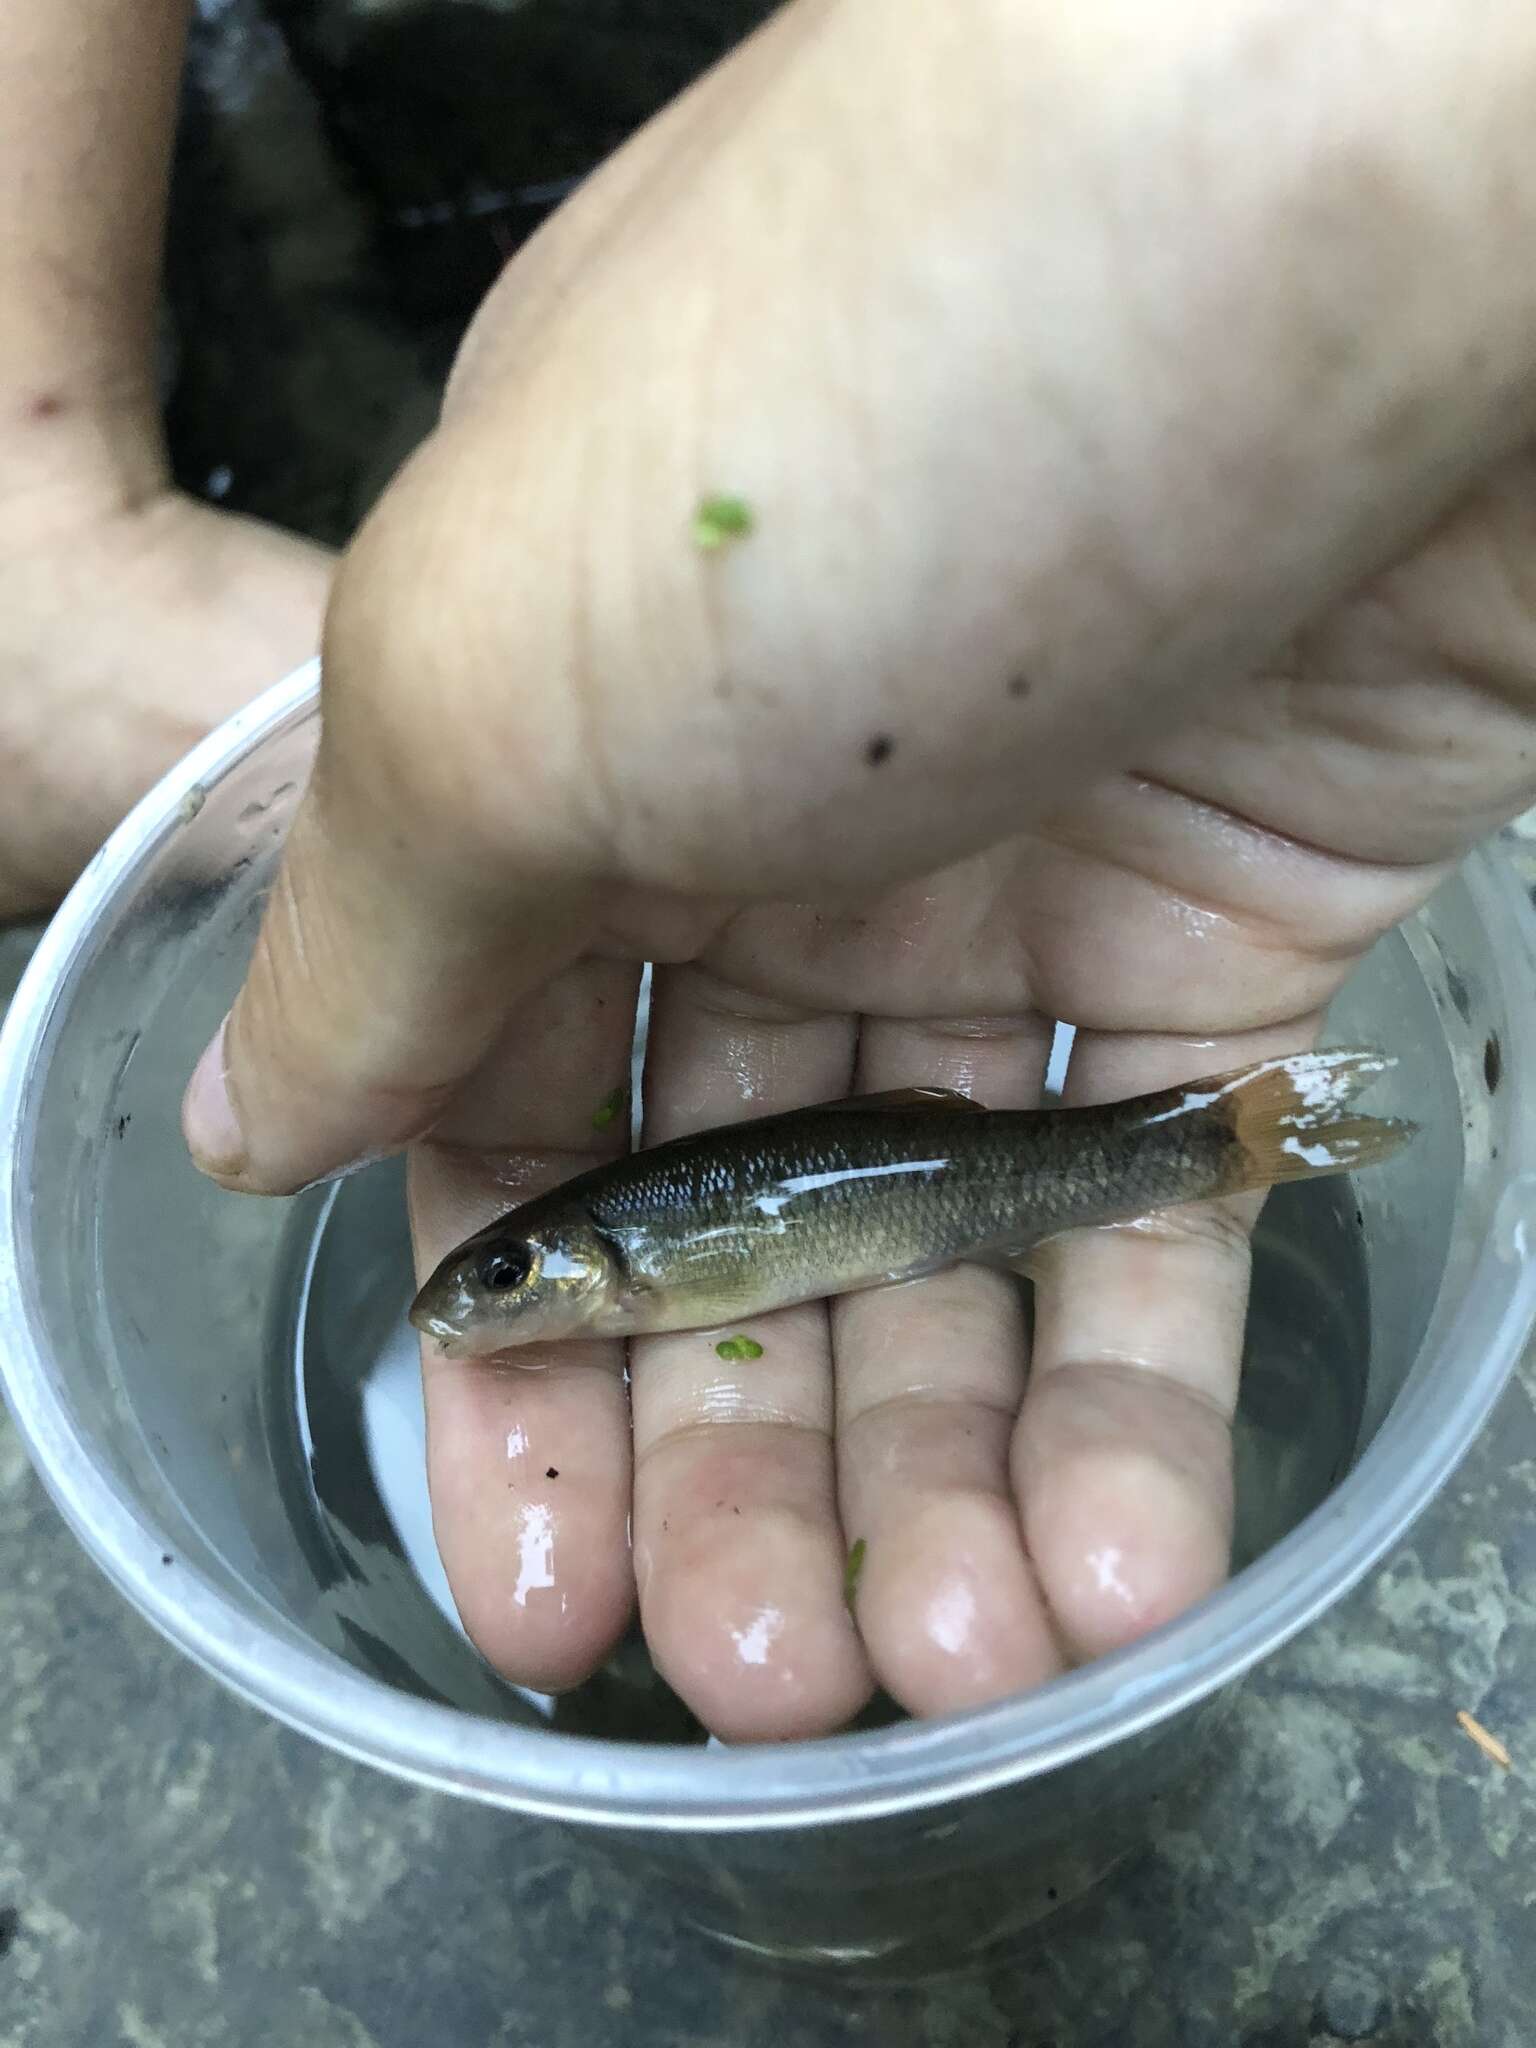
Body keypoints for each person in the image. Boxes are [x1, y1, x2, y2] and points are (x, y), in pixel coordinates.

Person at [9, 0, 1536, 1743]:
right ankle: (1218, 1136)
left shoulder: (628, 1244)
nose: (490, 1298)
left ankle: (1226, 1133)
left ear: (580, 1264)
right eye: (502, 1280)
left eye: (510, 1277)